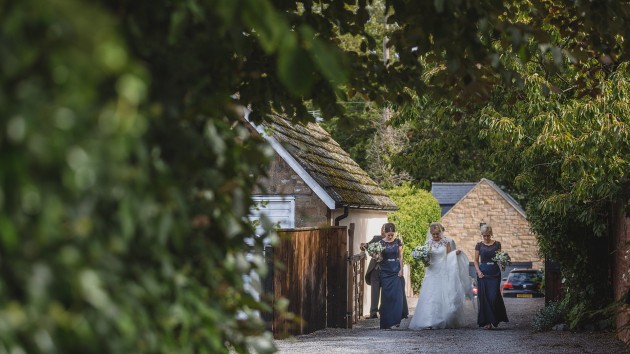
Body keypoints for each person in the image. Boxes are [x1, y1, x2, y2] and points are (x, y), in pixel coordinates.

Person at [409, 222, 472, 329]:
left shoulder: (446, 242)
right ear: (431, 233)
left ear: (441, 232)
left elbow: (449, 256)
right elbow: (427, 257)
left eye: (437, 234)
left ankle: (444, 318)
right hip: (432, 271)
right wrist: (424, 259)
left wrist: (455, 253)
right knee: (430, 295)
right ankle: (429, 320)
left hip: (443, 270)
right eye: (433, 234)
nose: (435, 236)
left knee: (444, 294)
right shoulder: (428, 243)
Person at [361, 226, 409, 320]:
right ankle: (373, 312)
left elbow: (400, 255)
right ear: (382, 231)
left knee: (389, 291)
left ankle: (390, 311)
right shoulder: (376, 239)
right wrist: (363, 246)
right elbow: (368, 246)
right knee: (375, 290)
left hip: (390, 269)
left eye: (391, 233)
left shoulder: (396, 241)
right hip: (376, 268)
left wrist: (400, 268)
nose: (385, 234)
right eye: (384, 232)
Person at [474, 224, 509, 329]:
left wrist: (503, 263)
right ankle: (487, 322)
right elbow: (475, 260)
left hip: (495, 273)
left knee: (493, 296)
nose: (486, 238)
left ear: (491, 234)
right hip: (483, 274)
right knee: (484, 298)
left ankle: (495, 319)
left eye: (488, 235)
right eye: (484, 235)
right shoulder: (479, 245)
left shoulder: (497, 244)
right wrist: (478, 272)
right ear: (482, 235)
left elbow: (499, 258)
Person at [376, 222, 406, 329]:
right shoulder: (380, 243)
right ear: (385, 233)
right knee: (387, 297)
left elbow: (400, 257)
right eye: (389, 234)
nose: (390, 236)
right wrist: (376, 256)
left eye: (392, 234)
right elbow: (379, 258)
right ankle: (387, 322)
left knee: (397, 296)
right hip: (385, 271)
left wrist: (401, 270)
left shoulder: (398, 242)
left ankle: (396, 321)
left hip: (396, 270)